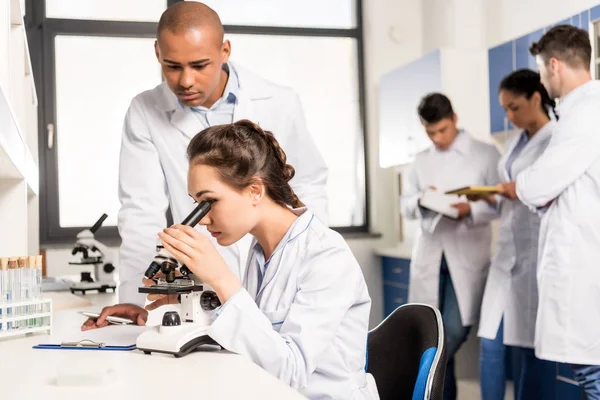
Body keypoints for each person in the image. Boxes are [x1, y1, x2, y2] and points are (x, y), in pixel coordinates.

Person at [84, 120, 378, 400]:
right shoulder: (260, 250)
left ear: (254, 191)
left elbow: (290, 370)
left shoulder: (325, 256)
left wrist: (223, 280)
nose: (203, 219)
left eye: (209, 201)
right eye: (197, 204)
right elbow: (259, 335)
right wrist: (181, 303)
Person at [117, 1, 328, 306]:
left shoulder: (278, 101)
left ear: (225, 51)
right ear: (157, 54)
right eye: (172, 66)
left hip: (278, 270)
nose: (185, 81)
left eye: (199, 65)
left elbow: (308, 186)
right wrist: (137, 298)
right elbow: (140, 210)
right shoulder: (145, 111)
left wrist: (307, 264)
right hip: (204, 279)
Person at [499, 25, 600, 399]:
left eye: (541, 71)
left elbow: (539, 184)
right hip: (579, 256)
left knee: (592, 375)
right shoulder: (581, 111)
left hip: (583, 260)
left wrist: (524, 186)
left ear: (553, 65)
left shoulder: (586, 111)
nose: (542, 79)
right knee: (590, 371)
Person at [400, 93, 500, 400]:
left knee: (452, 333)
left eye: (442, 130)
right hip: (431, 254)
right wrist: (421, 199)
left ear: (454, 118)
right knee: (432, 331)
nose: (438, 138)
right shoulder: (420, 159)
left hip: (466, 253)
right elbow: (405, 206)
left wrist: (470, 210)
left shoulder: (485, 154)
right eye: (431, 133)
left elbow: (499, 204)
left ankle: (422, 384)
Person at [477, 69, 556, 400]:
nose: (508, 116)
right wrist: (490, 195)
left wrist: (520, 191)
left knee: (530, 349)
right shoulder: (514, 143)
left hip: (536, 253)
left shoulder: (557, 138)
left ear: (536, 98)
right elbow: (509, 195)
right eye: (504, 109)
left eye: (514, 107)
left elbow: (551, 191)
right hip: (506, 255)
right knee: (489, 344)